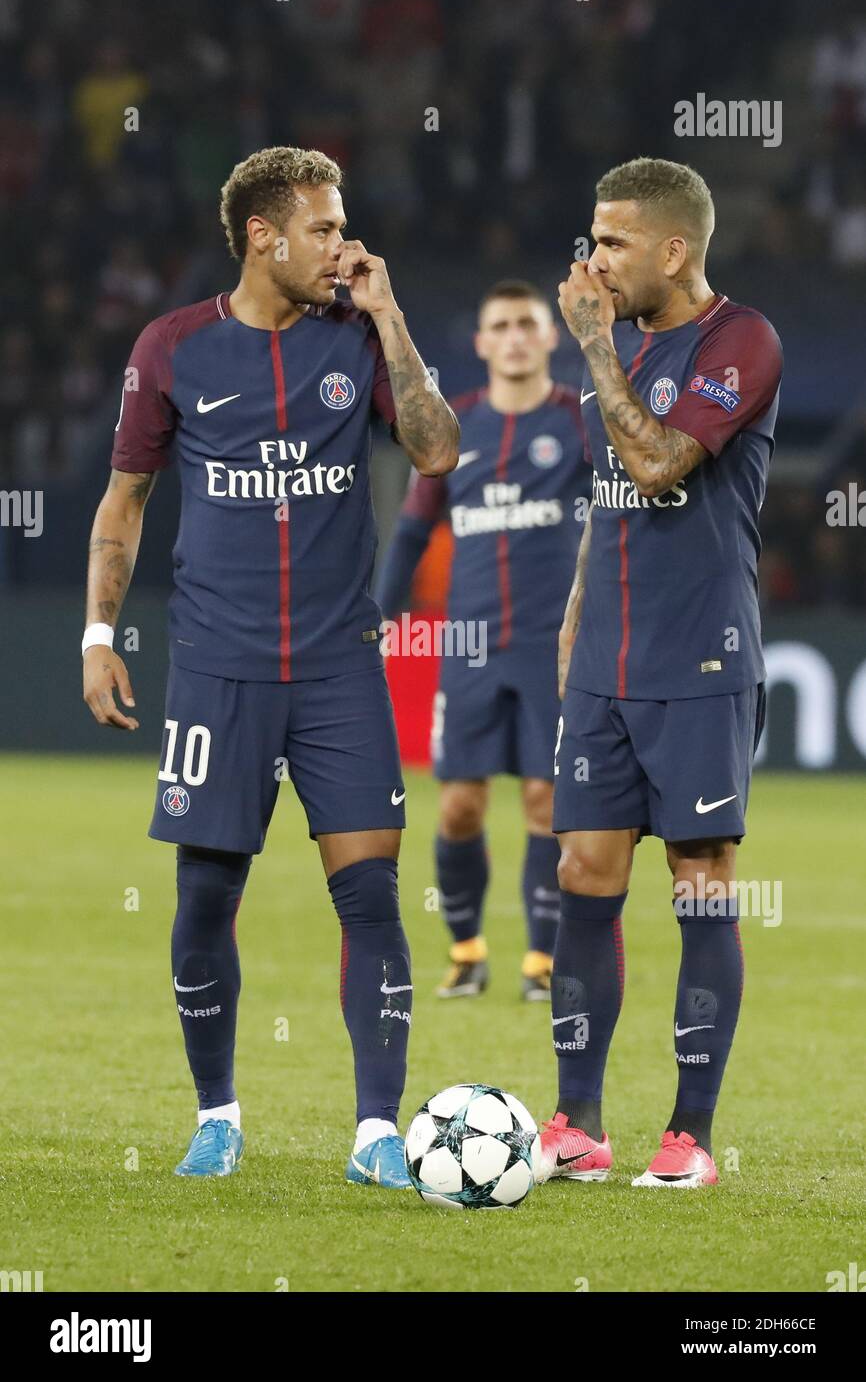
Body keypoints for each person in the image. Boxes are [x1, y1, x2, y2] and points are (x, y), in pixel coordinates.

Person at [82, 146, 459, 1185]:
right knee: (204, 899)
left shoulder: (355, 337)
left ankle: (375, 1130)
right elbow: (124, 504)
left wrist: (390, 318)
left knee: (371, 896)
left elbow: (434, 450)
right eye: (326, 227)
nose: (343, 244)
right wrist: (97, 635)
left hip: (339, 666)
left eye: (342, 226)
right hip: (217, 665)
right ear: (263, 235)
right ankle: (218, 1115)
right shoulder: (173, 350)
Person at [536, 157, 783, 1188]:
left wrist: (592, 344)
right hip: (605, 666)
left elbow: (655, 462)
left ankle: (687, 1135)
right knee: (580, 877)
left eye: (612, 242)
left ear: (672, 249)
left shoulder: (740, 341)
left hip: (700, 659)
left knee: (700, 887)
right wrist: (575, 618)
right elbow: (610, 499)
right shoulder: (627, 346)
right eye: (591, 239)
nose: (592, 261)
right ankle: (576, 1123)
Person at [376, 281, 590, 1000]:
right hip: (468, 646)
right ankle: (467, 953)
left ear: (550, 337)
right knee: (459, 805)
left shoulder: (581, 421)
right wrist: (379, 614)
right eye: (501, 325)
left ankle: (541, 963)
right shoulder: (454, 426)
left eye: (528, 324)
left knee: (543, 803)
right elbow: (410, 531)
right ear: (482, 342)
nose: (516, 337)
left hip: (549, 648)